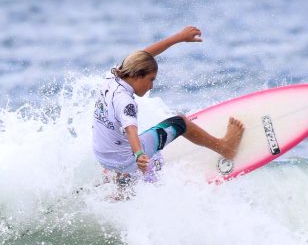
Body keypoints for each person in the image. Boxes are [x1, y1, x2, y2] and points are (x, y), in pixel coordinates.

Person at [92, 26, 244, 186]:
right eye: (151, 79)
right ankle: (225, 147)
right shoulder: (125, 101)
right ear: (137, 76)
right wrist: (138, 155)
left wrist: (179, 37)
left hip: (102, 156)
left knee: (123, 136)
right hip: (127, 159)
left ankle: (119, 180)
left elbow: (145, 55)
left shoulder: (113, 76)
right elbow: (130, 129)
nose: (151, 86)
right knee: (180, 122)